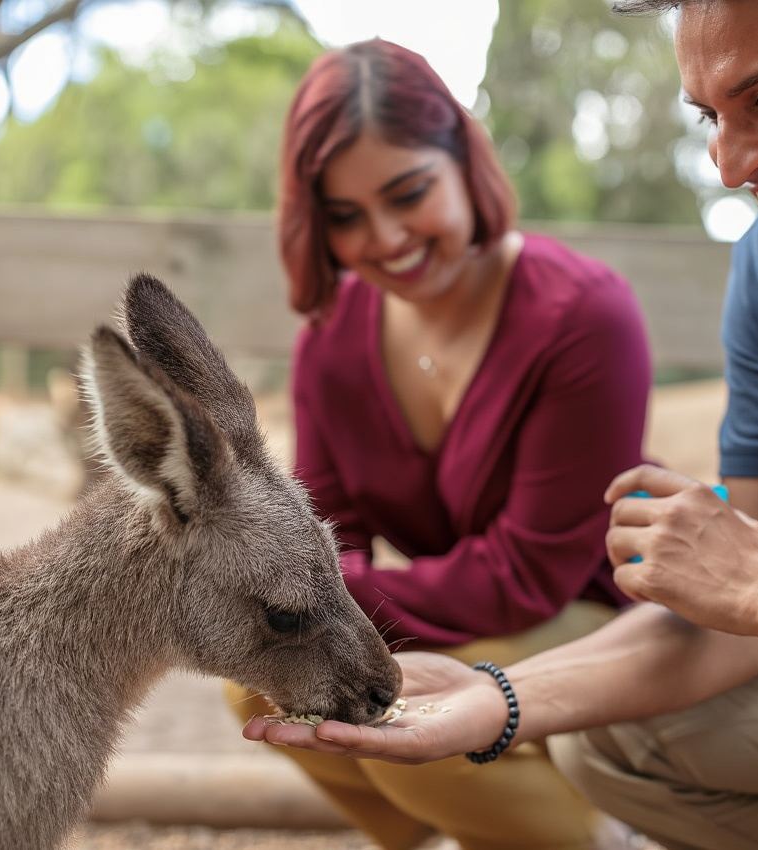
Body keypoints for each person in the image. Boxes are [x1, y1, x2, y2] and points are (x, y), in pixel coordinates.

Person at [246, 2, 758, 848]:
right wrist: (497, 698)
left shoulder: (576, 309)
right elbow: (744, 605)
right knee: (611, 738)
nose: (729, 164)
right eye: (712, 117)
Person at [225, 38, 653, 850]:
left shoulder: (586, 318)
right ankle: (452, 835)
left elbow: (527, 574)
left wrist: (318, 605)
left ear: (463, 156)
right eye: (346, 217)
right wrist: (306, 609)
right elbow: (326, 535)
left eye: (408, 193)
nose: (384, 238)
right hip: (456, 613)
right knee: (261, 684)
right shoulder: (330, 341)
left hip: (590, 616)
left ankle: (606, 837)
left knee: (397, 708)